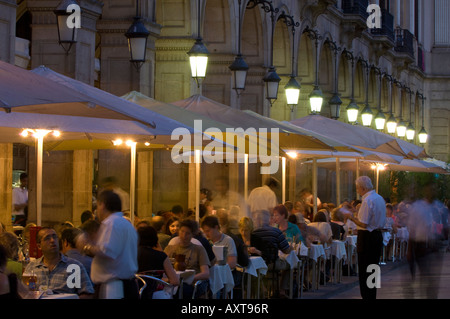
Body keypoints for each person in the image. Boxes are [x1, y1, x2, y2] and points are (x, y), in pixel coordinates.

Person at [76, 190, 139, 299]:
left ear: (102, 205)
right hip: (124, 284)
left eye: (98, 206)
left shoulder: (112, 223)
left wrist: (86, 247)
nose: (96, 211)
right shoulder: (127, 225)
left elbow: (108, 251)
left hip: (114, 288)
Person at [344, 176, 385, 300]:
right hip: (377, 235)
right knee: (373, 268)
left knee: (365, 269)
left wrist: (351, 217)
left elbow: (364, 223)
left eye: (357, 188)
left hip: (367, 237)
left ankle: (367, 296)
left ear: (362, 187)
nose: (357, 191)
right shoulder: (379, 198)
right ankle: (372, 295)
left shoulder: (367, 201)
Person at [24, 227, 94, 297]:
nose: (52, 240)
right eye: (47, 238)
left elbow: (87, 293)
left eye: (55, 237)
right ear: (39, 246)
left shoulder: (74, 266)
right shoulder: (32, 267)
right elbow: (25, 293)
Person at [164, 219, 210, 299]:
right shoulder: (170, 249)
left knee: (181, 290)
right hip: (172, 282)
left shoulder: (199, 250)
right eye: (182, 231)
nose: (184, 236)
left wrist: (189, 278)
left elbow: (206, 273)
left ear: (193, 235)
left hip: (191, 284)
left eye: (188, 233)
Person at [137, 225, 179, 298]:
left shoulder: (130, 254)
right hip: (155, 294)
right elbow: (175, 281)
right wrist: (159, 280)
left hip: (135, 293)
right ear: (155, 238)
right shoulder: (161, 256)